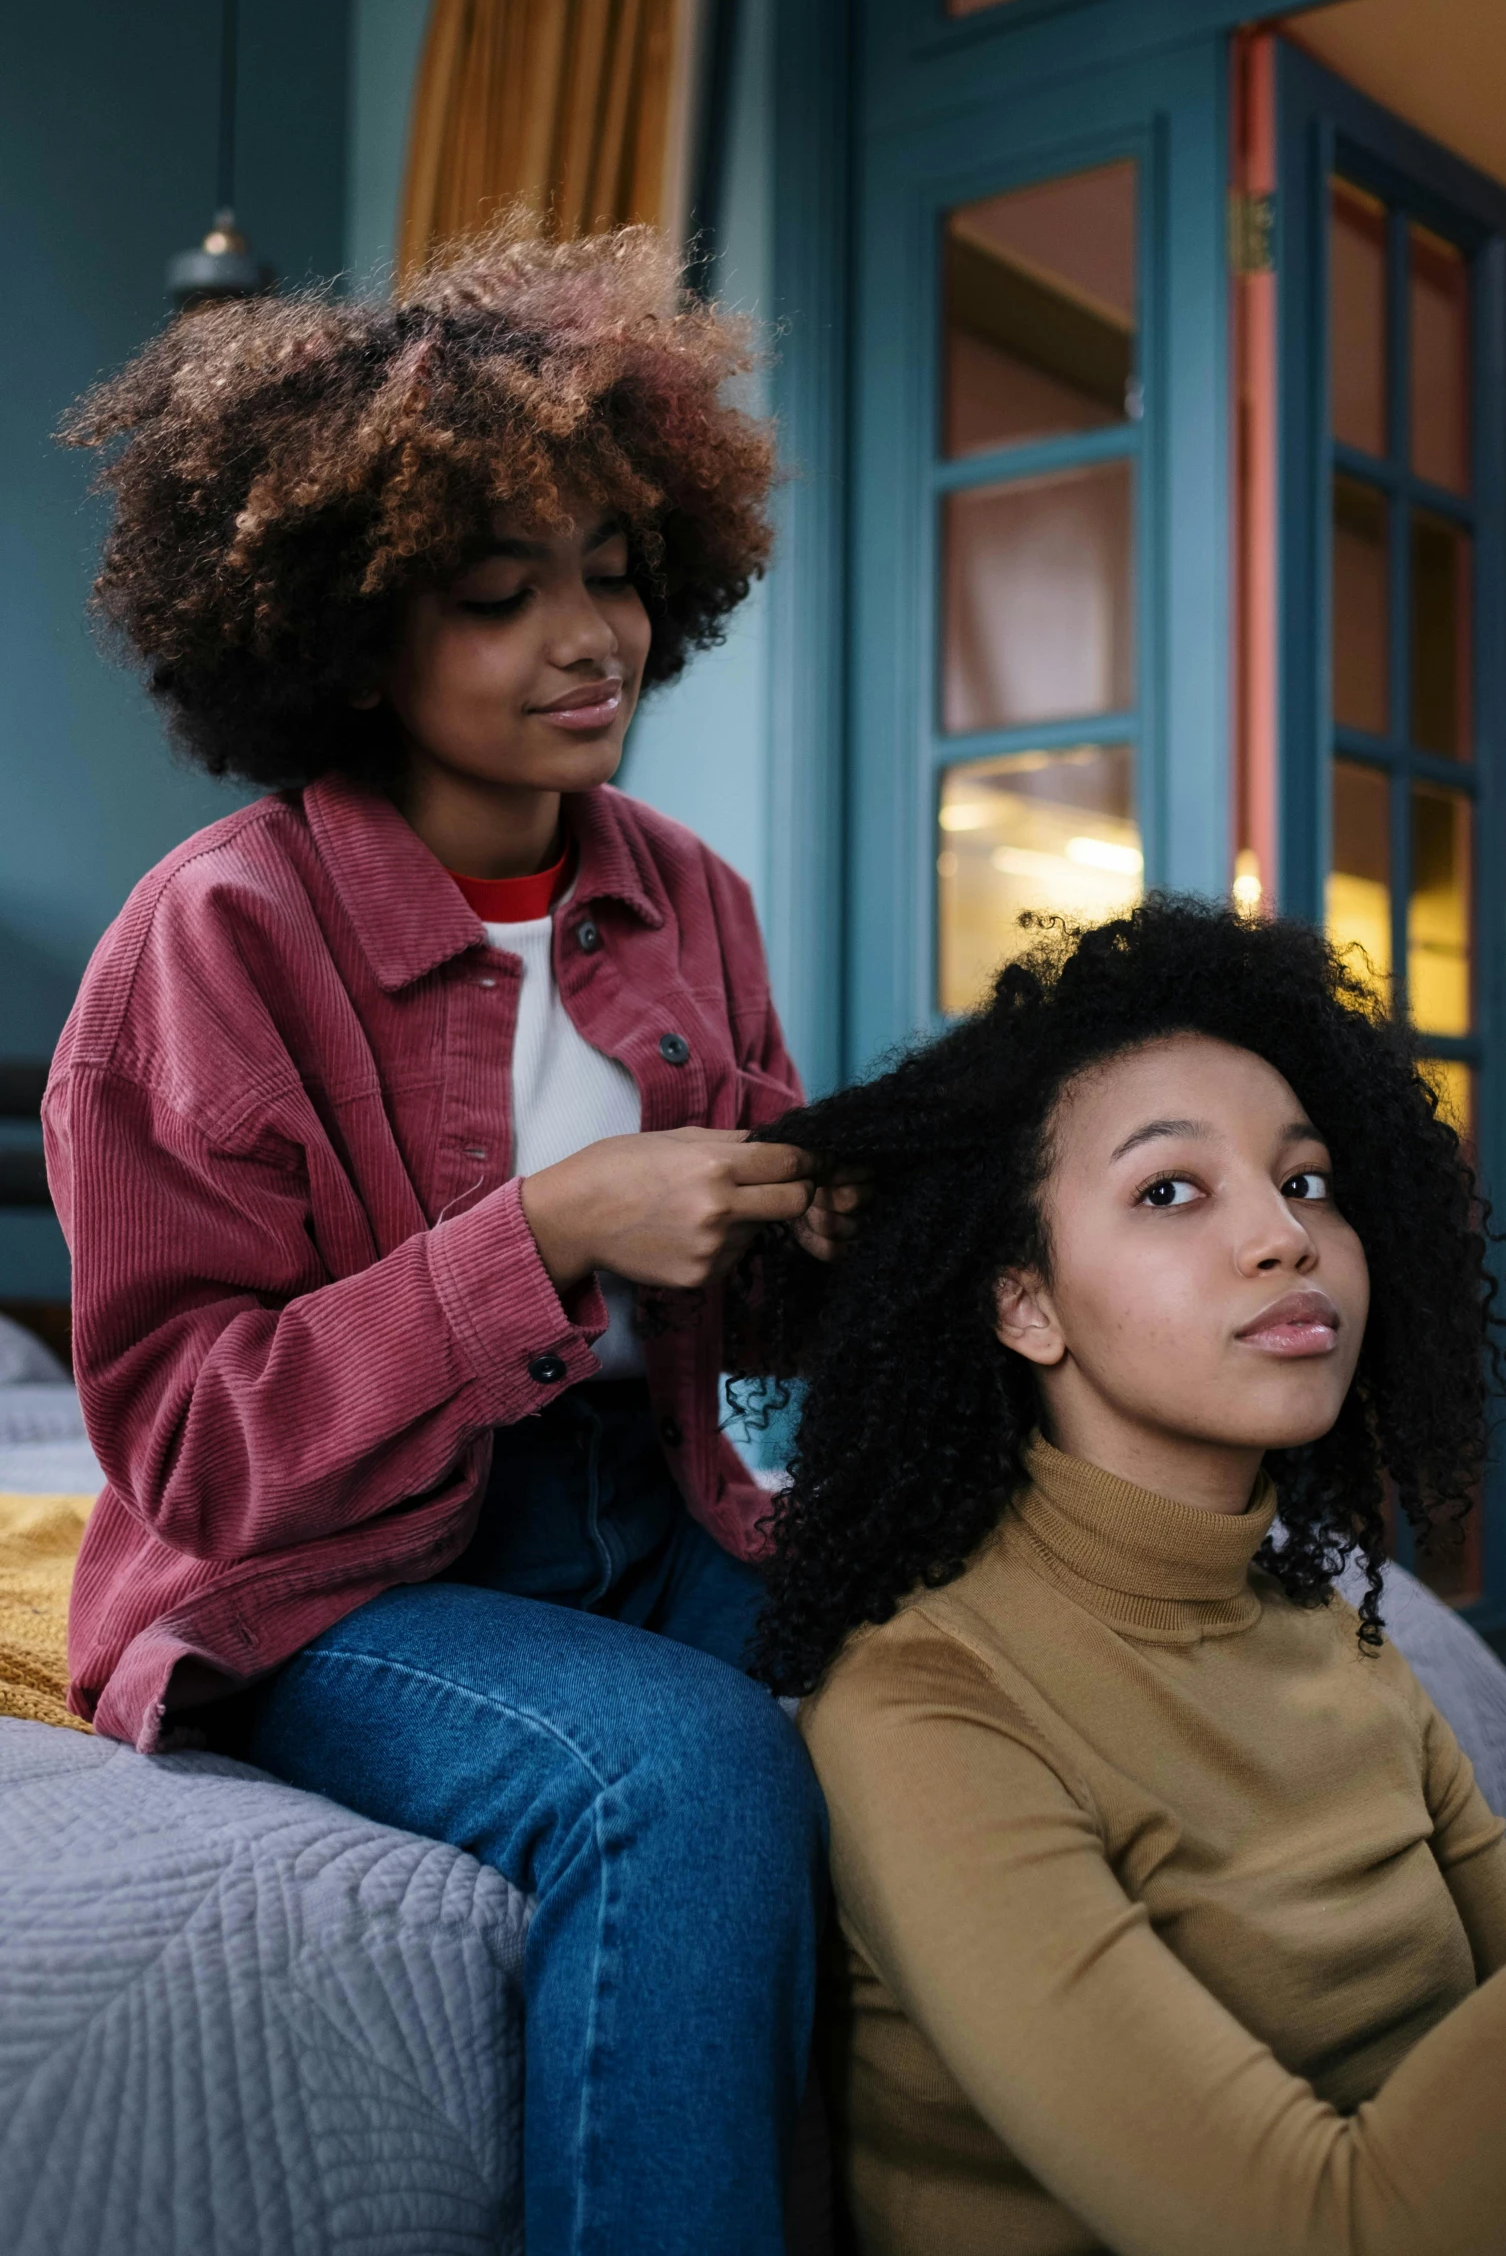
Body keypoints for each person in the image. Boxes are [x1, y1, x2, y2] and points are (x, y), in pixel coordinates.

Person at [46, 223, 856, 2256]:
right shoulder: (213, 938)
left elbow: (736, 1317)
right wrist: (550, 1230)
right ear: (343, 633)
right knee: (684, 1774)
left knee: (947, 1680)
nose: (591, 638)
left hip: (639, 1494)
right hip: (318, 1573)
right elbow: (194, 1448)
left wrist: (817, 1227)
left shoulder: (691, 894)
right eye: (502, 594)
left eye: (613, 570)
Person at [745, 898, 1506, 2256]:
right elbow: (1322, 2227)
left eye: (1303, 1180)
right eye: (1168, 1189)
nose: (1282, 1236)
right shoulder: (929, 1710)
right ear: (1025, 1302)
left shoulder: (1337, 1625)